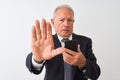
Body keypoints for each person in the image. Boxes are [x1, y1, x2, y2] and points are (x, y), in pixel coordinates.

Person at [26, 4, 101, 80]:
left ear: (73, 22)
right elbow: (33, 68)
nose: (66, 24)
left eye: (69, 20)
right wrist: (37, 59)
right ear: (53, 22)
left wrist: (83, 63)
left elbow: (96, 73)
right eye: (62, 20)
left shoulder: (85, 42)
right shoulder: (46, 42)